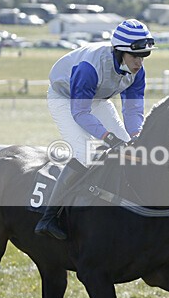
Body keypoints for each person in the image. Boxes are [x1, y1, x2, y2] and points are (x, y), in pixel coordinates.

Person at [34, 19, 154, 239]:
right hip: (65, 98)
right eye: (135, 56)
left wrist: (136, 136)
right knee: (86, 152)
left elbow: (133, 110)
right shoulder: (89, 67)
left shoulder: (138, 71)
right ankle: (48, 217)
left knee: (128, 146)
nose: (139, 62)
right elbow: (80, 112)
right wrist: (106, 137)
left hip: (98, 98)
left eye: (144, 56)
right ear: (119, 52)